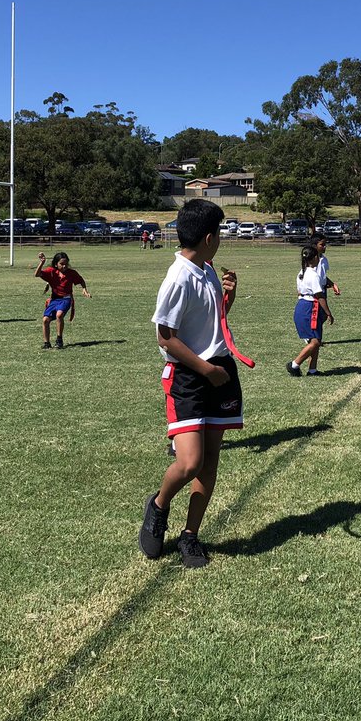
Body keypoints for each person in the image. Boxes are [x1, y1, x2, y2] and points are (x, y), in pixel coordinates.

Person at [139, 199, 244, 569]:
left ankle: (190, 535)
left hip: (219, 371)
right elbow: (165, 337)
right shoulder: (179, 277)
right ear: (209, 236)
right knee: (189, 461)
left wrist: (226, 295)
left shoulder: (207, 269)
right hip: (189, 376)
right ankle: (158, 505)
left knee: (210, 460)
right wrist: (205, 370)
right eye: (222, 233)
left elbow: (211, 325)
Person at [289, 244, 333, 375]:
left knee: (315, 339)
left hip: (302, 304)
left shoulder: (301, 273)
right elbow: (319, 296)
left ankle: (312, 370)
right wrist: (328, 313)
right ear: (314, 258)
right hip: (310, 307)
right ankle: (294, 365)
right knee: (315, 342)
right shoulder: (313, 275)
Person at [34, 251, 91, 349]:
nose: (64, 266)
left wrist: (84, 290)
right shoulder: (51, 271)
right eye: (61, 264)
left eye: (66, 264)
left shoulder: (71, 273)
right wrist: (42, 262)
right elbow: (37, 274)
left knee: (59, 314)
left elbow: (81, 280)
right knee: (45, 320)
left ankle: (59, 340)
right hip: (54, 300)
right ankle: (46, 343)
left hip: (66, 299)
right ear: (56, 264)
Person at [311, 233, 341, 298]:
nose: (325, 247)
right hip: (314, 293)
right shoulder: (311, 261)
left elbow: (322, 276)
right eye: (322, 245)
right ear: (314, 245)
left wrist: (333, 285)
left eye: (325, 244)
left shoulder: (324, 259)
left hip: (323, 291)